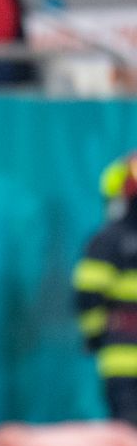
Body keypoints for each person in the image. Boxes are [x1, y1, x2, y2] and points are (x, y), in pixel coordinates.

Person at [74, 152, 137, 426]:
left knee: (128, 437)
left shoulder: (108, 241)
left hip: (123, 354)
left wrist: (94, 336)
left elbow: (89, 294)